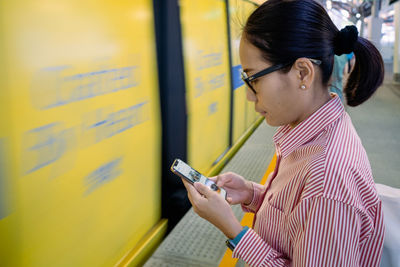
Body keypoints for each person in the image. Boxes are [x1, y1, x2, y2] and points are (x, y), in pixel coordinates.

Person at [181, 0, 385, 266]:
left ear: (302, 73)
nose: (248, 97)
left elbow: (315, 203)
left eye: (253, 79)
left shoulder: (327, 182)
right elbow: (299, 217)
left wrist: (235, 231)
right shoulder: (314, 132)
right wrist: (252, 193)